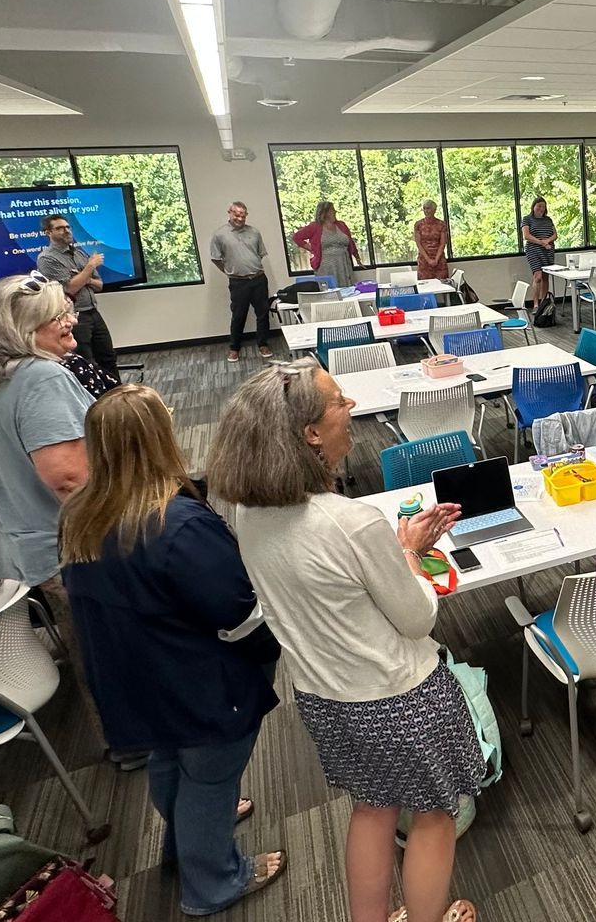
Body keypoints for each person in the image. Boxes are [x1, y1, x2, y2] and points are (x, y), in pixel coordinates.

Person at [207, 361, 482, 922]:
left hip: (325, 699)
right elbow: (416, 618)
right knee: (434, 817)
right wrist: (408, 551)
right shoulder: (349, 522)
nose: (351, 405)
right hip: (401, 698)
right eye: (338, 401)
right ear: (310, 433)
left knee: (372, 809)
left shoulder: (242, 511)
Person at [56, 385, 285, 915]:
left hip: (131, 678)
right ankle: (214, 883)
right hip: (198, 683)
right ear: (160, 437)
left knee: (168, 761)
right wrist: (273, 647)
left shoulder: (80, 515)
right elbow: (236, 611)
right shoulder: (178, 525)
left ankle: (188, 837)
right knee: (211, 777)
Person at [0, 273, 93, 611]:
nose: (71, 320)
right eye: (57, 317)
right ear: (23, 329)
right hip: (70, 551)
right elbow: (69, 480)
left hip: (31, 543)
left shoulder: (0, 376)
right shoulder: (44, 377)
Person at [35, 212, 119, 376]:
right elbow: (70, 289)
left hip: (93, 311)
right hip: (74, 317)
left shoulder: (79, 253)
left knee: (108, 357)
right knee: (86, 361)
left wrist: (83, 278)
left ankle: (119, 395)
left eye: (68, 227)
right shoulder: (47, 259)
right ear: (48, 233)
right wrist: (89, 267)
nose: (66, 231)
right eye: (60, 228)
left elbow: (99, 284)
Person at [210, 202, 272, 364]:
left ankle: (263, 345)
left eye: (243, 215)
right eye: (237, 214)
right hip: (238, 282)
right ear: (229, 213)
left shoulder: (254, 232)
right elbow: (216, 258)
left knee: (263, 313)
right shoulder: (220, 235)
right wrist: (230, 271)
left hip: (258, 279)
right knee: (238, 316)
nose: (240, 218)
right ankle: (234, 348)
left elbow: (260, 254)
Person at [292, 201, 359, 288]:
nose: (335, 212)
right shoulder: (315, 226)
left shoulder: (341, 225)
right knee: (329, 290)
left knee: (347, 289)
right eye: (332, 210)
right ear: (325, 212)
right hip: (325, 265)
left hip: (343, 263)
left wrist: (357, 257)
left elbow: (351, 243)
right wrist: (311, 248)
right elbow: (296, 237)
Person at [521, 197, 557, 320]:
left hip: (548, 250)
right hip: (533, 250)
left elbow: (555, 235)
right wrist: (541, 242)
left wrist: (548, 241)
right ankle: (535, 304)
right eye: (539, 206)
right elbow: (526, 235)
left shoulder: (548, 220)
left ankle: (543, 303)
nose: (541, 208)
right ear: (533, 206)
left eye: (543, 206)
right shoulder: (527, 219)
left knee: (546, 276)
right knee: (538, 276)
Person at [413, 200, 450, 280]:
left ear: (434, 210)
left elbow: (442, 243)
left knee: (442, 286)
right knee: (425, 287)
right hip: (424, 260)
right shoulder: (418, 224)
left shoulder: (441, 224)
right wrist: (428, 259)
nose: (426, 211)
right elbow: (418, 243)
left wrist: (436, 259)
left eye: (428, 208)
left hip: (439, 260)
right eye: (424, 209)